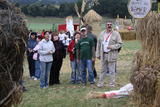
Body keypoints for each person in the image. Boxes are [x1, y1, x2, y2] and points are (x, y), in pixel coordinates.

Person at [96, 21, 122, 88]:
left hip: (111, 54)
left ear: (112, 25)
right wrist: (98, 54)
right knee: (102, 70)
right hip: (103, 54)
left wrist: (112, 47)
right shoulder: (102, 33)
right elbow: (98, 44)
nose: (109, 26)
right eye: (108, 24)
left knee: (112, 70)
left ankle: (112, 84)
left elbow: (120, 44)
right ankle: (100, 83)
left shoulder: (116, 34)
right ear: (105, 25)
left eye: (110, 24)